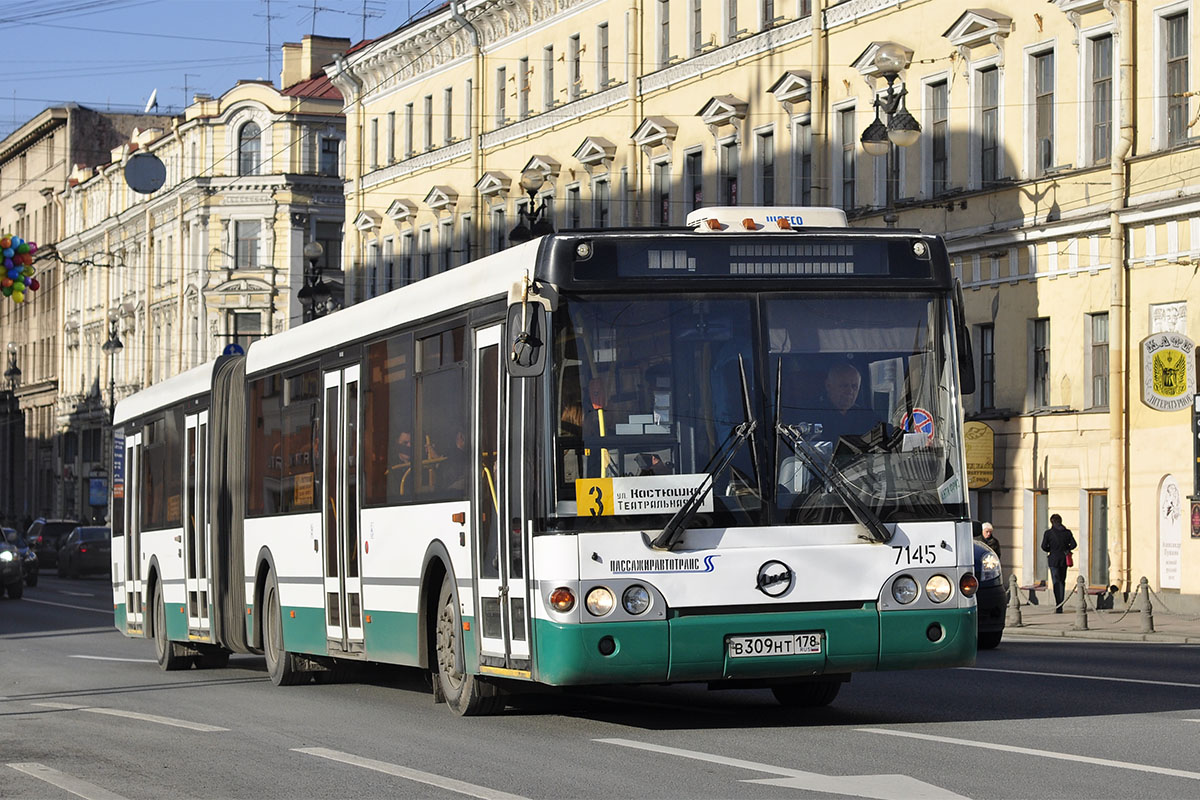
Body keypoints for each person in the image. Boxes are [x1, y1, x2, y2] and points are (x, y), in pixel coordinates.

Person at [1041, 513, 1077, 613]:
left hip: (1053, 560)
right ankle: (1061, 603)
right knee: (1062, 581)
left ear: (1052, 522)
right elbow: (1074, 544)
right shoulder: (1067, 532)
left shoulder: (1048, 533)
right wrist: (1066, 549)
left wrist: (1051, 549)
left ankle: (1058, 605)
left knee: (1056, 582)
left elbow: (1043, 546)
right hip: (1064, 560)